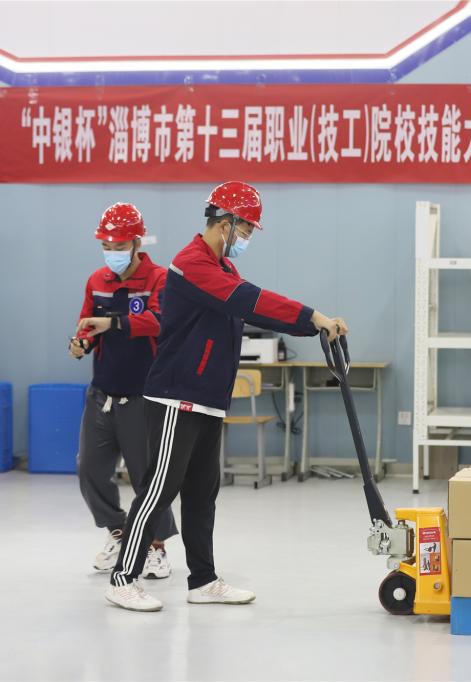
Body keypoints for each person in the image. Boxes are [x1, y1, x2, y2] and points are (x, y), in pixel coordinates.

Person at [104, 182, 348, 612]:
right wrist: (313, 317)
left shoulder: (223, 268)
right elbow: (251, 302)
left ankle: (202, 580)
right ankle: (123, 578)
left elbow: (252, 304)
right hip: (177, 396)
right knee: (159, 489)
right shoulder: (191, 265)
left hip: (207, 398)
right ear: (226, 223)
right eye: (246, 228)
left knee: (202, 494)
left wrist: (311, 326)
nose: (248, 236)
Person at [70, 203, 178, 577]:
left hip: (143, 395)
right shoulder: (96, 280)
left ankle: (156, 546)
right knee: (89, 470)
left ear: (136, 243)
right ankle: (119, 532)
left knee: (147, 477)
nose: (112, 253)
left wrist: (113, 323)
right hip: (102, 393)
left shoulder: (159, 279)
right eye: (106, 246)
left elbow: (160, 321)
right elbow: (87, 326)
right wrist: (81, 343)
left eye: (119, 246)